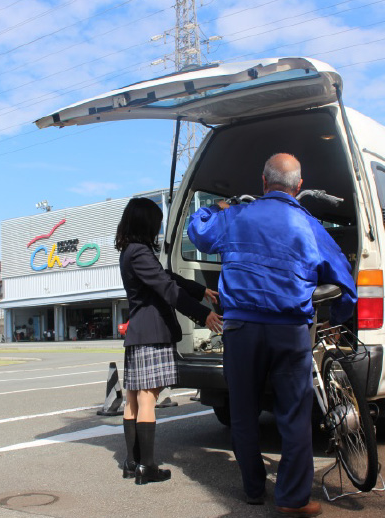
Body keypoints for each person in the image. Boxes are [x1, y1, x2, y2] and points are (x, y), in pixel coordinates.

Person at [187, 153, 357, 516]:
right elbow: (343, 276)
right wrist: (340, 318)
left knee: (243, 411)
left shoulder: (236, 216)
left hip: (240, 329)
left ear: (263, 182)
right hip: (289, 331)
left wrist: (214, 208)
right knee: (293, 413)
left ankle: (253, 490)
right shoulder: (309, 225)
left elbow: (198, 232)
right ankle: (292, 499)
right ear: (299, 186)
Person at [115, 197, 223, 485]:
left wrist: (200, 290)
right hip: (152, 334)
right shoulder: (140, 252)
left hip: (138, 334)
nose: (158, 229)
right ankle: (147, 467)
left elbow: (167, 276)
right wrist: (203, 315)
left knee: (133, 398)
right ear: (146, 224)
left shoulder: (129, 251)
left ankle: (132, 462)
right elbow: (167, 288)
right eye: (157, 224)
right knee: (147, 398)